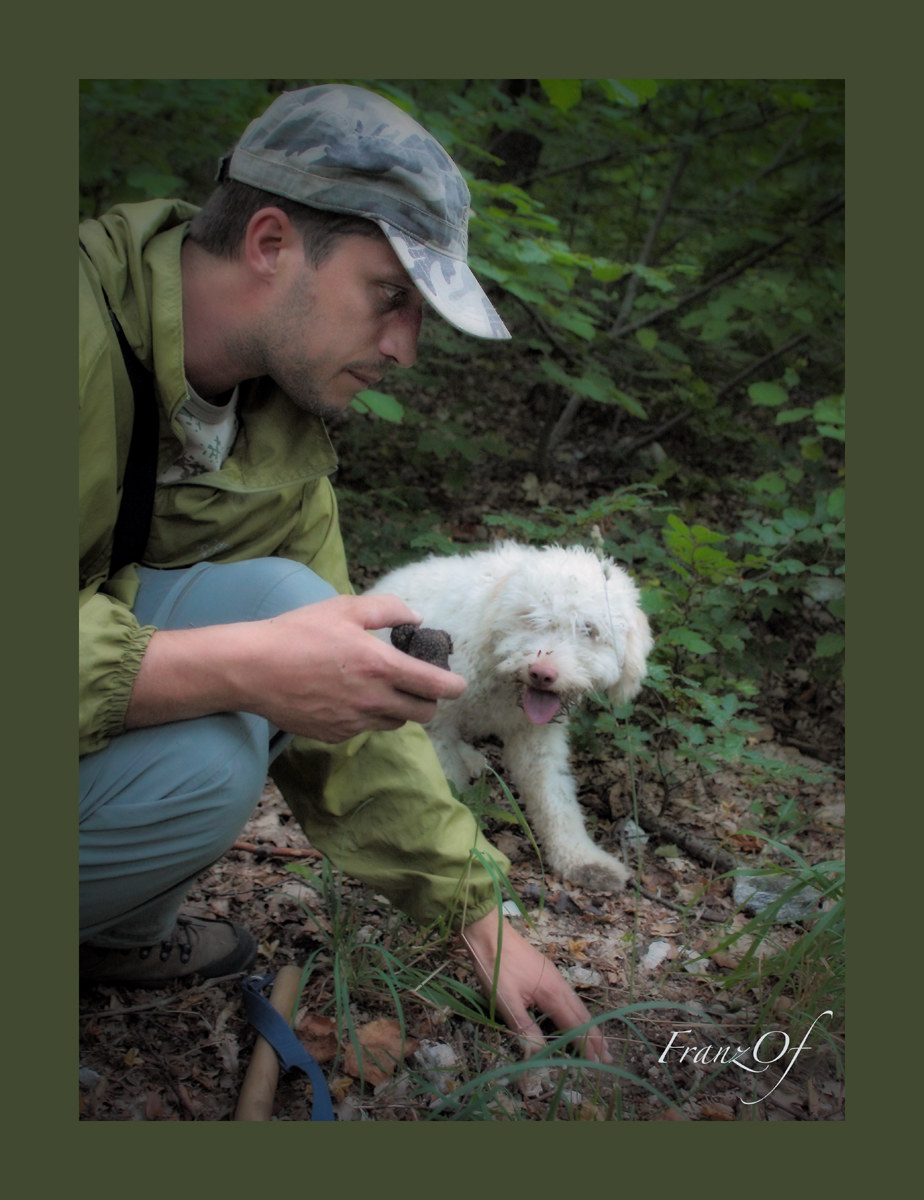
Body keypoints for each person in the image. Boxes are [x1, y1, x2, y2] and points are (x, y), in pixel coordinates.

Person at [79, 82, 609, 1063]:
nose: (405, 347)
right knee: (212, 759)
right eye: (389, 297)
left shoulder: (268, 425)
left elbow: (357, 674)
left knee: (296, 605)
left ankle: (109, 938)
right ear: (272, 243)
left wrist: (473, 913)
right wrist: (230, 669)